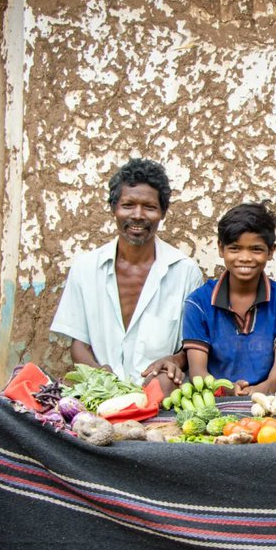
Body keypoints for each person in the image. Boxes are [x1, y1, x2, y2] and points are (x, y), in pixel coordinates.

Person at [50, 158, 204, 391]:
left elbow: (189, 347)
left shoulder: (185, 271)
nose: (138, 215)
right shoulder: (85, 268)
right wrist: (98, 374)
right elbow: (79, 344)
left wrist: (173, 361)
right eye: (128, 205)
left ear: (162, 213)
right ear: (114, 208)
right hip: (101, 390)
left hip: (158, 392)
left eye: (150, 207)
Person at [182, 203, 276, 395]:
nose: (245, 258)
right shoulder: (199, 302)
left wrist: (262, 389)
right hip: (215, 397)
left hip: (266, 398)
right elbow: (198, 372)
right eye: (235, 248)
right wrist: (227, 389)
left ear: (271, 251)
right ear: (221, 249)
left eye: (256, 249)